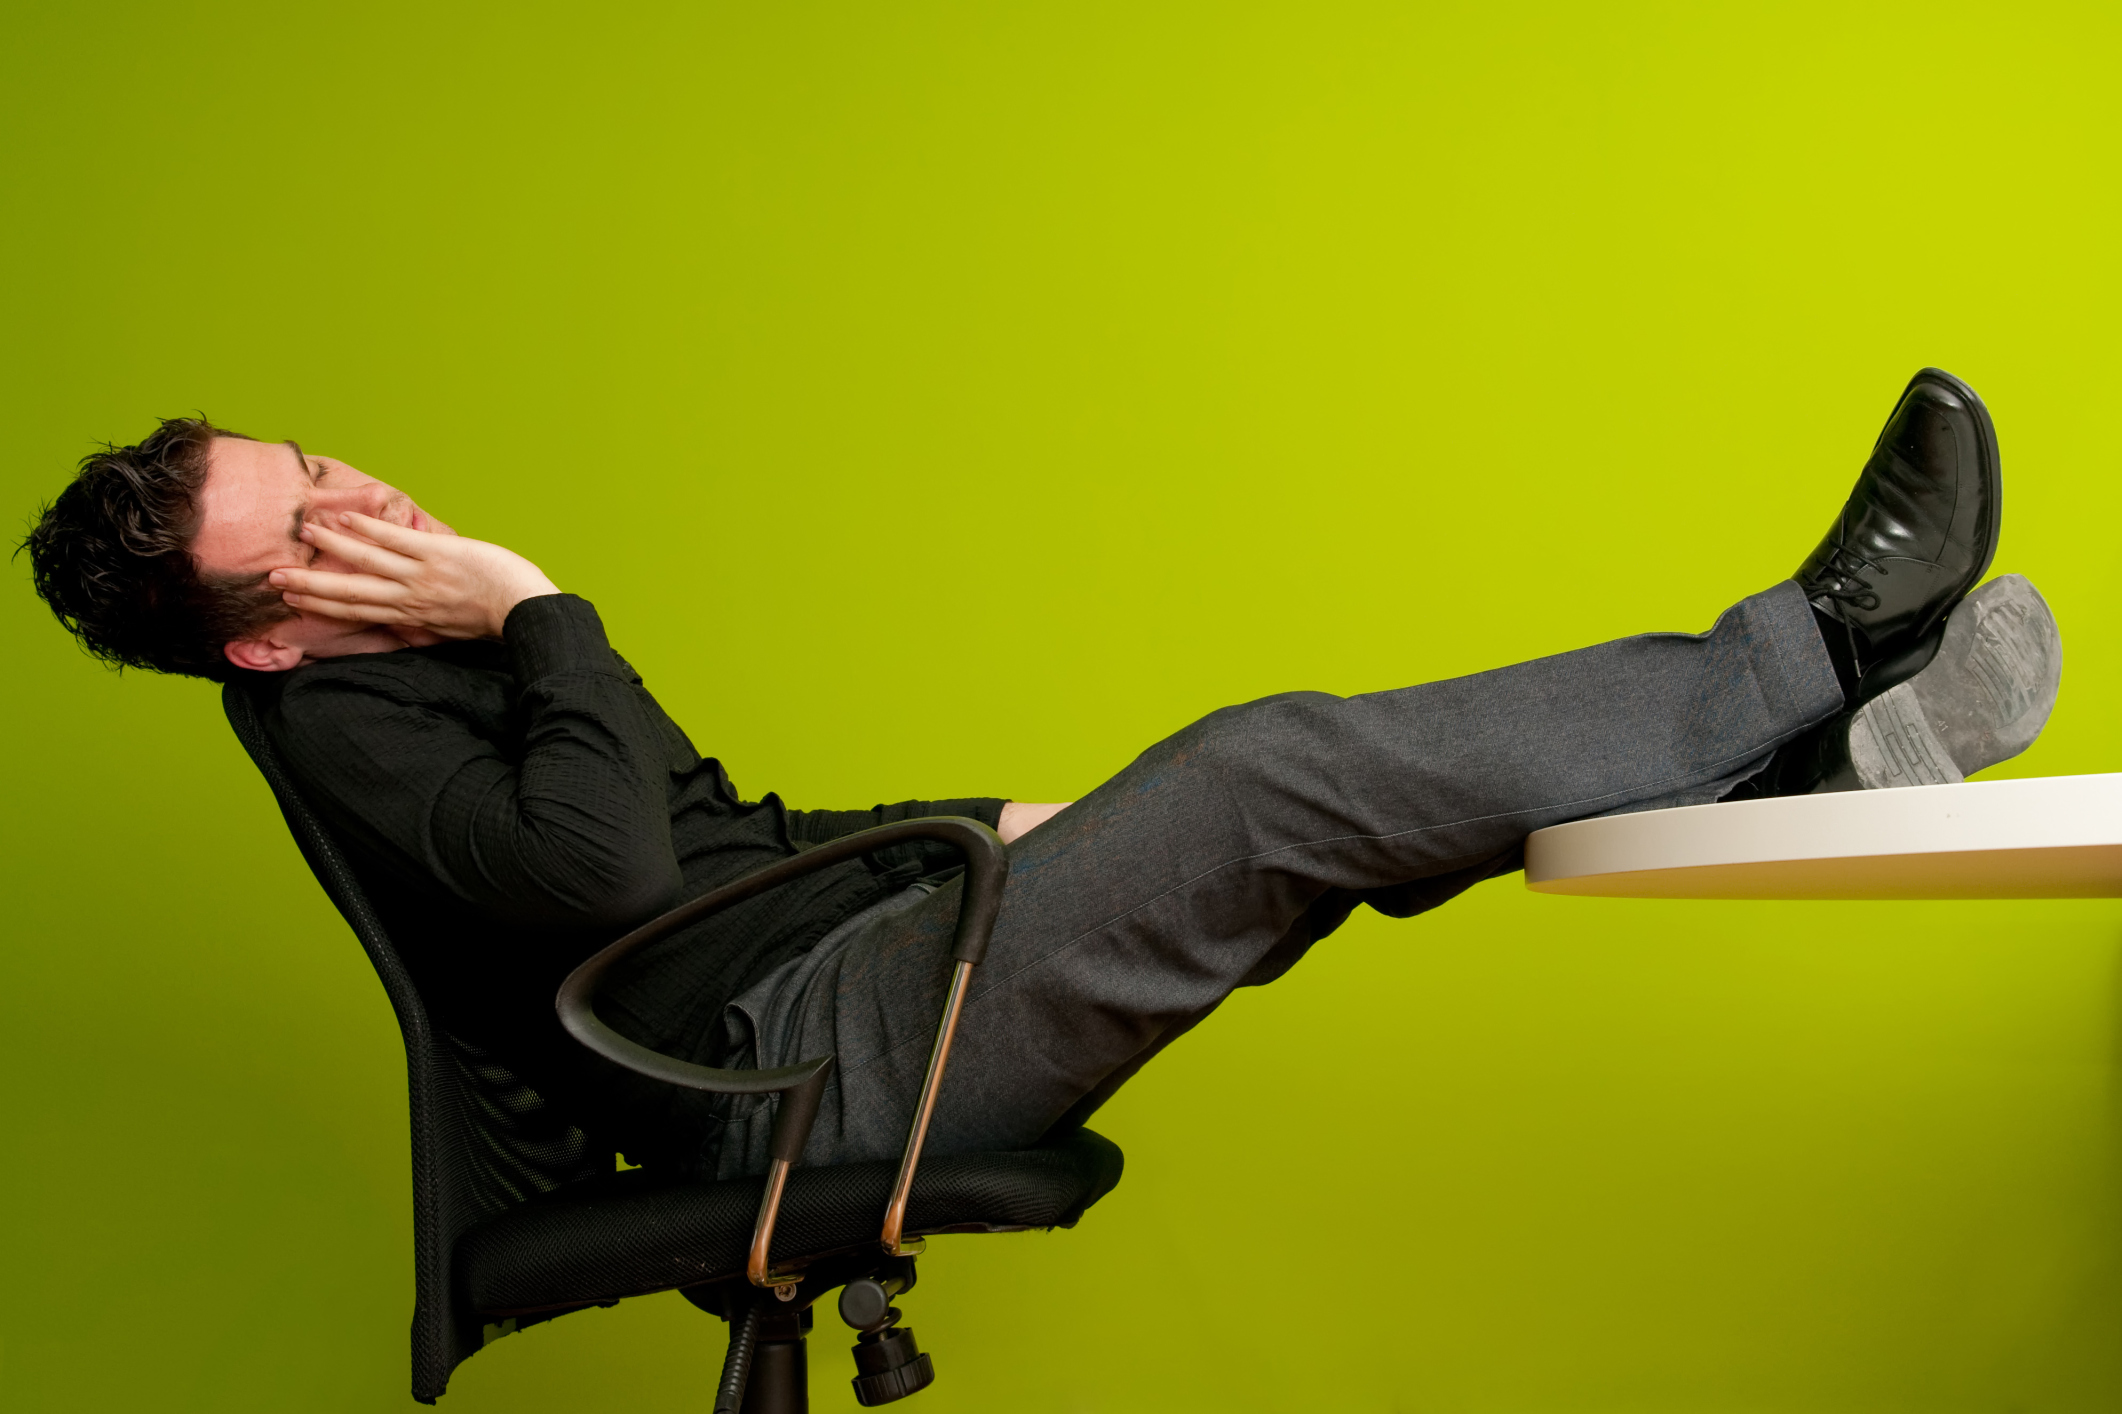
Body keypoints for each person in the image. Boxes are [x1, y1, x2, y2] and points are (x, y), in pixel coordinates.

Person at [21, 369, 2056, 1179]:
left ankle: (1801, 766)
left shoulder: (430, 659)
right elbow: (610, 877)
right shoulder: (348, 717)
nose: (370, 507)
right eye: (309, 534)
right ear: (261, 635)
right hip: (794, 1086)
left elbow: (727, 841)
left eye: (329, 467)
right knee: (1263, 778)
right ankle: (1814, 647)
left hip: (855, 971)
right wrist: (542, 601)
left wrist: (980, 827)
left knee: (1260, 801)